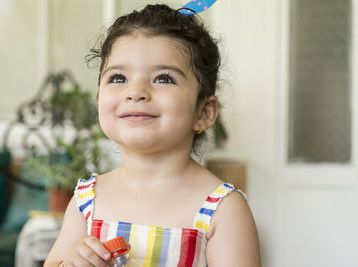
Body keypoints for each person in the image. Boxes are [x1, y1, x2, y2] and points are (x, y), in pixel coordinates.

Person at [44, 4, 261, 267]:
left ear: (204, 112)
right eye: (118, 77)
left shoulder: (223, 210)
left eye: (163, 78)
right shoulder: (87, 200)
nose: (135, 91)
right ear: (100, 99)